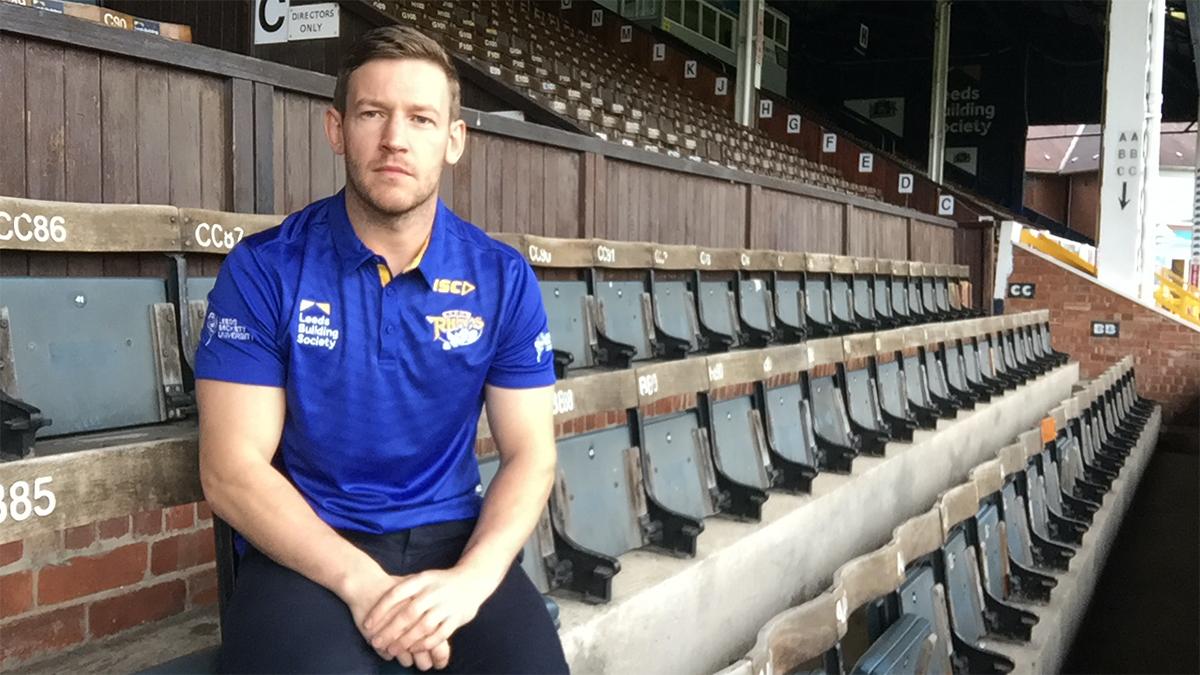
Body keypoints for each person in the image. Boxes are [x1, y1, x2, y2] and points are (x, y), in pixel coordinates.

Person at [195, 24, 568, 674]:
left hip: (453, 541)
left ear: (454, 140)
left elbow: (532, 454)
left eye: (422, 118)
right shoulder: (265, 269)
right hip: (309, 550)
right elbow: (231, 468)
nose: (396, 138)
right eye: (373, 113)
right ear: (336, 128)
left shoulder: (502, 277)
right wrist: (364, 586)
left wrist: (470, 583)